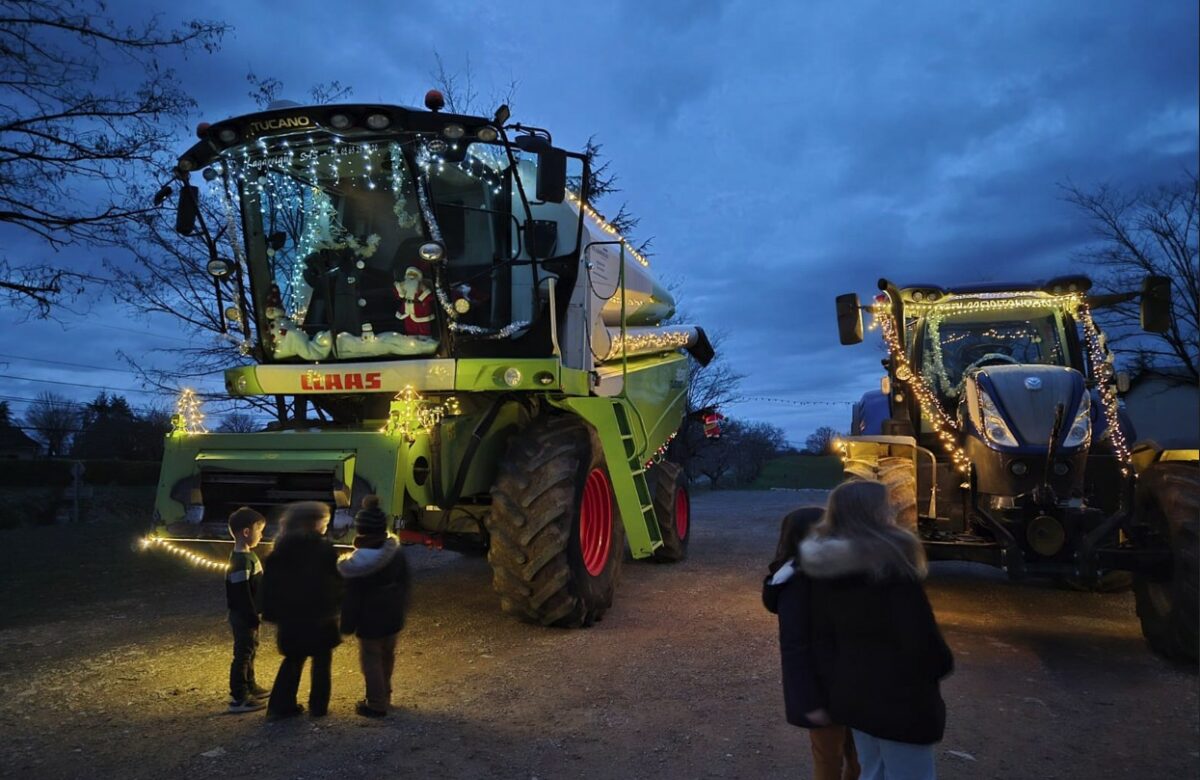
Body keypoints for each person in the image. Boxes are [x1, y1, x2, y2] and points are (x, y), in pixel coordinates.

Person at [801, 480, 954, 780]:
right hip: (901, 702)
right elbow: (924, 646)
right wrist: (941, 666)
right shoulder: (893, 570)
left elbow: (821, 639)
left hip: (854, 696)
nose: (892, 512)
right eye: (886, 507)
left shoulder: (823, 571)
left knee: (873, 771)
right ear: (874, 514)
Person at [763, 507, 860, 780]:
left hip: (855, 685)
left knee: (860, 758)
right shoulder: (796, 584)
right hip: (826, 691)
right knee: (829, 760)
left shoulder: (839, 572)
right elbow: (794, 649)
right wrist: (809, 702)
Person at [261, 501, 343, 720]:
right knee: (322, 663)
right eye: (324, 521)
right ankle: (318, 707)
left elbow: (269, 586)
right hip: (320, 616)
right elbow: (335, 581)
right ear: (313, 523)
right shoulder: (323, 549)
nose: (326, 526)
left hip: (290, 617)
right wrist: (338, 605)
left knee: (293, 661)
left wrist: (271, 613)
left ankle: (280, 706)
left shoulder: (279, 550)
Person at [338, 495, 411, 718]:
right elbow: (405, 583)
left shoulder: (357, 563)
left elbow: (352, 598)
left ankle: (376, 704)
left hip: (370, 621)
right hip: (393, 617)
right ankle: (386, 696)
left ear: (360, 531)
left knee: (371, 660)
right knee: (387, 656)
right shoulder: (395, 552)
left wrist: (346, 626)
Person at [226, 506, 269, 713]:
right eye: (259, 530)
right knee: (243, 653)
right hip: (244, 616)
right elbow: (240, 594)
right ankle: (239, 696)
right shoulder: (240, 561)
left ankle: (250, 685)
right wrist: (251, 615)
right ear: (246, 532)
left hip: (251, 615)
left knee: (251, 651)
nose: (261, 535)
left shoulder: (249, 556)